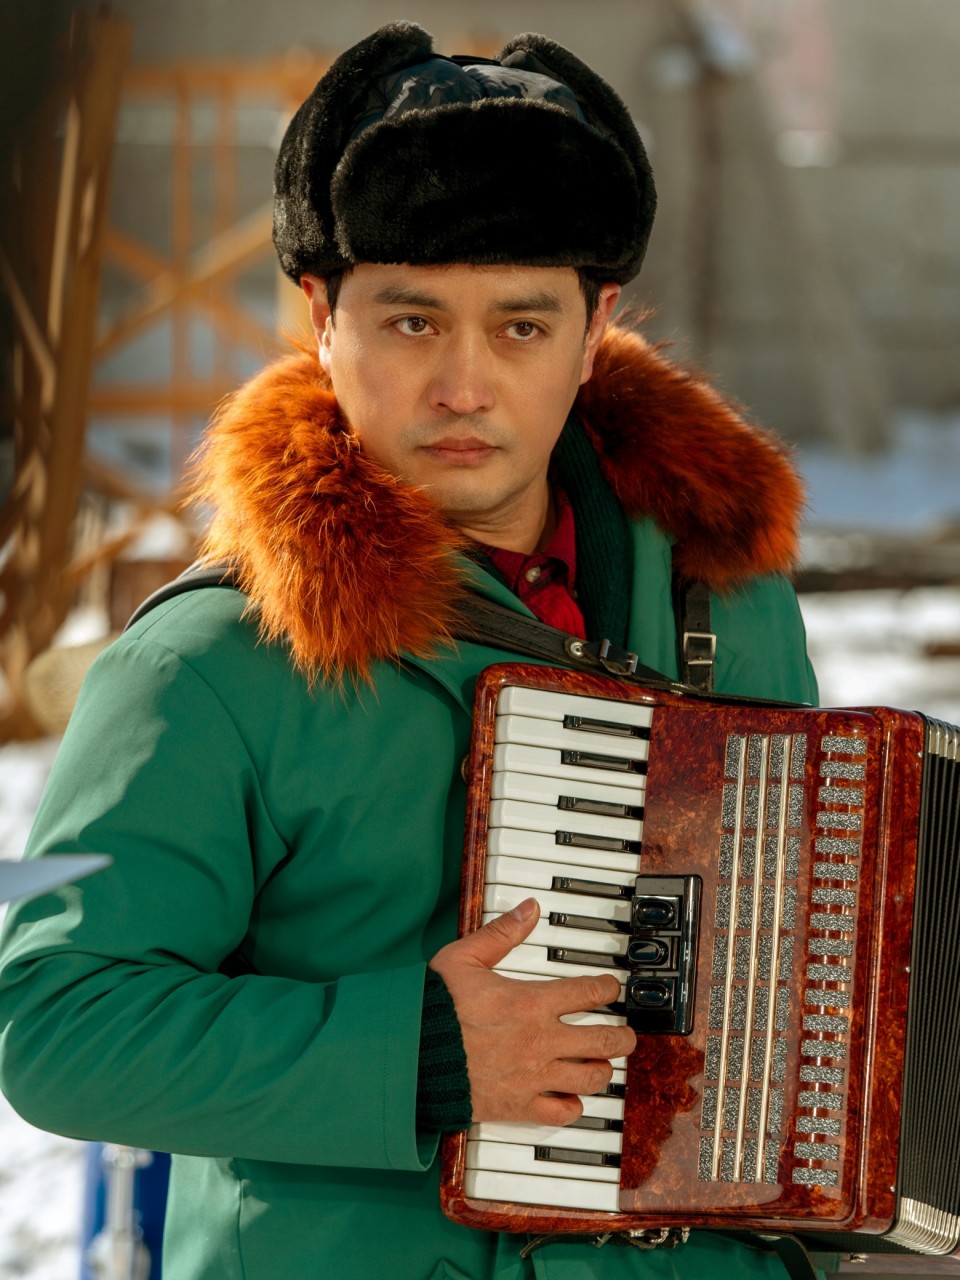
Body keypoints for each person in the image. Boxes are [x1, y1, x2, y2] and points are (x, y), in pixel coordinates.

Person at [0, 22, 819, 1280]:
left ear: (595, 329)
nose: (464, 386)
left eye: (521, 327)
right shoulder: (203, 665)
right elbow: (55, 1021)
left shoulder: (727, 595)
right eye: (413, 321)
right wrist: (418, 1052)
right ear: (324, 318)